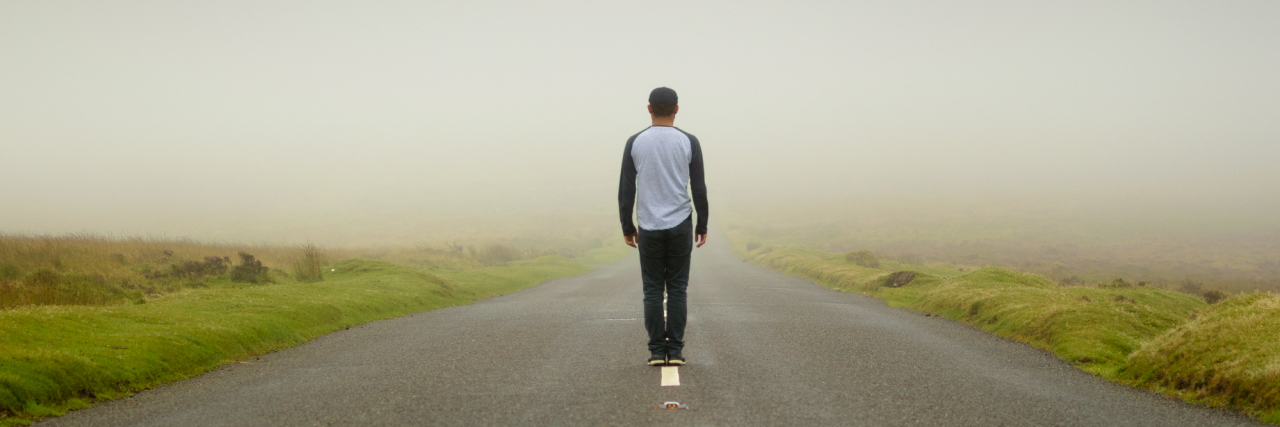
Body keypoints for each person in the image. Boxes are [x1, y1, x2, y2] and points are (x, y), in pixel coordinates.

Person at [618, 87, 709, 367]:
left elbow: (626, 189)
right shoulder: (689, 141)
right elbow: (698, 187)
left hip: (648, 225)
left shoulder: (635, 142)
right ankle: (676, 351)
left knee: (654, 290)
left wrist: (627, 226)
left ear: (649, 108)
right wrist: (702, 223)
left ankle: (657, 352)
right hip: (681, 222)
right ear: (676, 109)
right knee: (678, 289)